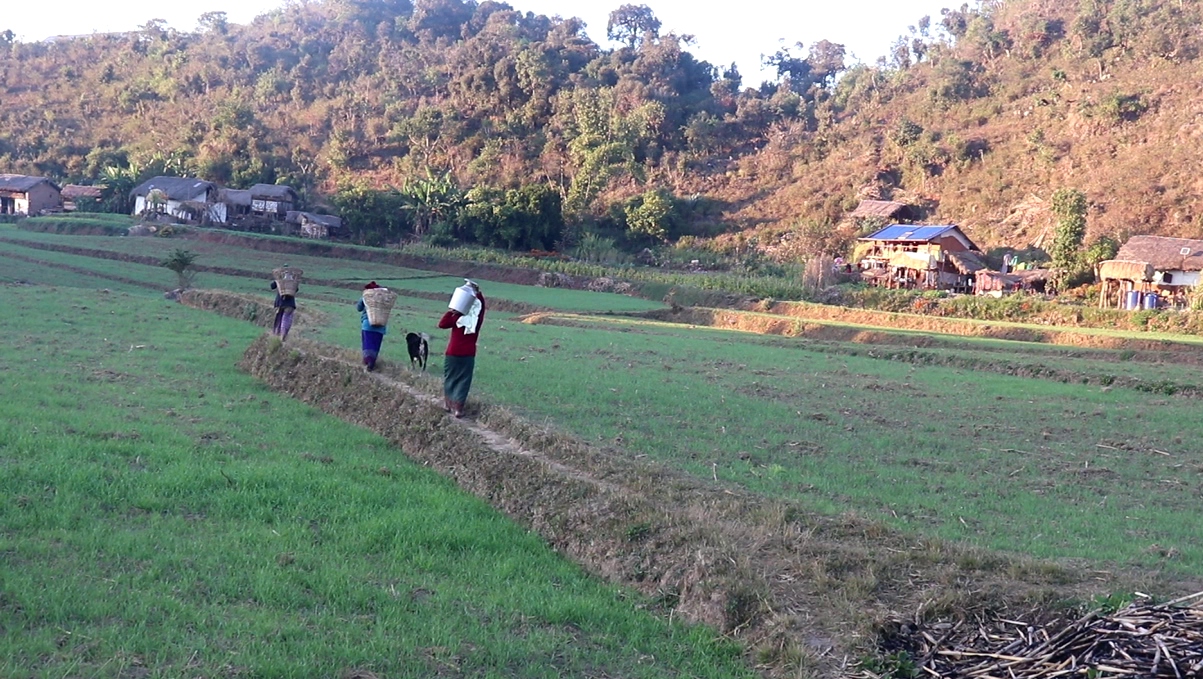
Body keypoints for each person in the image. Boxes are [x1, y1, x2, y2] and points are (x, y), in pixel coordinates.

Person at [438, 281, 486, 418]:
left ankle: (448, 404)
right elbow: (481, 307)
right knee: (464, 381)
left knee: (450, 378)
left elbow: (441, 324)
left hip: (452, 353)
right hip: (468, 354)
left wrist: (452, 311)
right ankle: (458, 408)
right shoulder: (476, 321)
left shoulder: (457, 318)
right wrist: (478, 293)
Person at [356, 281, 388, 371]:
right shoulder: (385, 297)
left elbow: (359, 308)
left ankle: (368, 362)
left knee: (367, 344)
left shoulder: (367, 295)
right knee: (375, 344)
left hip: (367, 324)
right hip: (381, 325)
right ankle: (373, 362)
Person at [270, 271, 297, 341]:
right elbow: (296, 289)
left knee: (279, 319)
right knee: (286, 319)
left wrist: (276, 280)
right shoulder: (293, 282)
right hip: (290, 304)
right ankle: (283, 335)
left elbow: (272, 286)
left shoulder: (279, 281)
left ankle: (277, 334)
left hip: (280, 303)